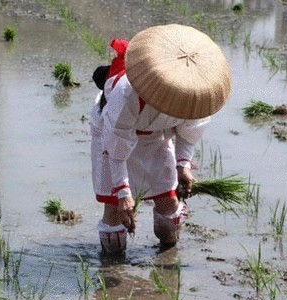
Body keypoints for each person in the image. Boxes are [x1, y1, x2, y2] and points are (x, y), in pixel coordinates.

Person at [89, 24, 231, 254]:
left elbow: (189, 129)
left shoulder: (194, 94)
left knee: (168, 204)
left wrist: (183, 164)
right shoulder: (126, 95)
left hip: (156, 136)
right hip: (114, 133)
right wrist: (124, 193)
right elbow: (116, 147)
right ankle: (112, 269)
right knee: (115, 211)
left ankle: (167, 257)